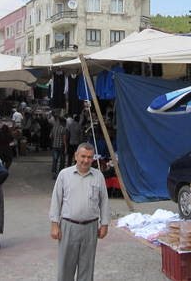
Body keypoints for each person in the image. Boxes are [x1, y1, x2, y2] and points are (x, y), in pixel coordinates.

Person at [49, 143, 110, 281]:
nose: (86, 160)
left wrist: (105, 224)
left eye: (89, 157)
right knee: (66, 266)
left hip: (91, 227)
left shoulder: (98, 176)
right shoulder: (64, 175)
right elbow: (56, 200)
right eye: (83, 156)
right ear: (76, 156)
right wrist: (54, 224)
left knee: (87, 267)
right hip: (68, 227)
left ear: (93, 158)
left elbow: (104, 201)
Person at [50, 113, 66, 178]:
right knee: (62, 160)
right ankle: (60, 173)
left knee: (55, 160)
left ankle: (54, 172)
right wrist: (66, 148)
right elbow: (64, 140)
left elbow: (50, 136)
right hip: (61, 147)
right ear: (63, 122)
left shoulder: (54, 128)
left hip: (54, 146)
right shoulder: (63, 129)